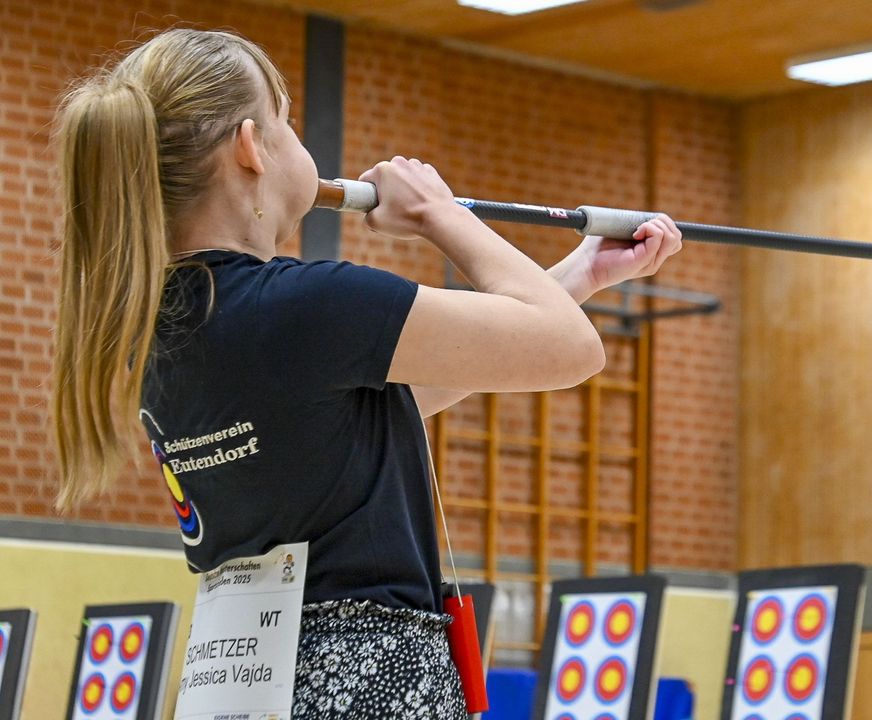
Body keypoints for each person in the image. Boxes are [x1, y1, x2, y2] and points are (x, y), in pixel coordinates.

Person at [51, 28, 681, 717]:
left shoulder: (164, 325)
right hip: (368, 679)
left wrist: (581, 273)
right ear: (251, 147)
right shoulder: (306, 304)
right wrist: (437, 214)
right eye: (287, 121)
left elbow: (388, 405)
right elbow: (571, 347)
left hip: (242, 687)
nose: (300, 141)